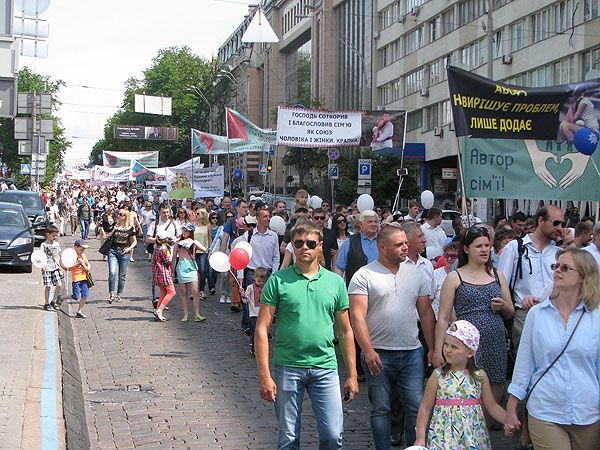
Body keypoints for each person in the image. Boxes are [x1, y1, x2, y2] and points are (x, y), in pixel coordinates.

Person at [255, 220, 359, 449]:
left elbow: (345, 330)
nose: (305, 247)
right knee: (289, 438)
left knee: (333, 435)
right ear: (292, 245)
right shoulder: (278, 281)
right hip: (288, 366)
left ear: (320, 246)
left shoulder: (335, 282)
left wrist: (352, 373)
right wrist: (265, 376)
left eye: (311, 243)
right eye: (299, 243)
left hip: (325, 367)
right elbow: (262, 329)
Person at [349, 223, 435, 447]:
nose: (405, 248)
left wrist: (433, 349)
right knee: (381, 409)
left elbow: (425, 313)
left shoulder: (415, 273)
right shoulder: (364, 275)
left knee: (416, 406)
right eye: (398, 245)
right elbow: (357, 317)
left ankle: (414, 446)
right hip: (378, 353)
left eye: (406, 243)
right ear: (382, 247)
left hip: (411, 352)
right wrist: (367, 351)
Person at [504, 248, 600, 449]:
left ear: (583, 276)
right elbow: (524, 364)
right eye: (555, 266)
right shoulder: (537, 314)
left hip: (588, 411)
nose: (558, 271)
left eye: (565, 268)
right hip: (545, 409)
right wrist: (512, 408)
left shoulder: (596, 317)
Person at [435, 226, 514, 409]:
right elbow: (444, 318)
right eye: (479, 246)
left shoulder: (497, 275)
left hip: (494, 341)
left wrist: (503, 306)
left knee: (494, 392)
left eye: (487, 245)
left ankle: (483, 433)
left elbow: (510, 312)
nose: (485, 250)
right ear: (467, 249)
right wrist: (438, 350)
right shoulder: (455, 277)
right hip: (465, 344)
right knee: (465, 392)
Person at [415, 320, 507, 449]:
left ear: (470, 352)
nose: (447, 350)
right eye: (445, 344)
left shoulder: (479, 376)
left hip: (473, 437)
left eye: (454, 347)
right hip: (443, 437)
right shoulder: (438, 376)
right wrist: (420, 438)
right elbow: (425, 407)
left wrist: (508, 420)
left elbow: (491, 406)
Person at [498, 205, 565, 351]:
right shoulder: (515, 247)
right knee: (525, 360)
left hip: (554, 314)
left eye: (563, 224)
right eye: (556, 223)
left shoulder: (559, 252)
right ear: (541, 221)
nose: (560, 228)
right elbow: (502, 283)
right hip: (525, 314)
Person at [146, 202, 181, 307]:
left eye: (167, 212)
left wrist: (173, 242)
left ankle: (163, 300)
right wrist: (159, 241)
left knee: (169, 276)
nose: (166, 214)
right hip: (158, 254)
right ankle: (157, 299)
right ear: (159, 213)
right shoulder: (155, 224)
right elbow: (148, 239)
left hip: (171, 254)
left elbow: (179, 236)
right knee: (158, 277)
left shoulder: (175, 224)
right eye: (163, 212)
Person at [173, 223, 207, 322]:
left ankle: (197, 314)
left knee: (195, 292)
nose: (184, 232)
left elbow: (204, 249)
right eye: (183, 230)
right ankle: (185, 314)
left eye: (187, 230)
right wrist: (171, 271)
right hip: (181, 267)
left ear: (191, 232)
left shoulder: (193, 242)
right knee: (184, 292)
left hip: (191, 267)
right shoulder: (178, 243)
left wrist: (194, 243)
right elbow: (174, 257)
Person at [105, 208, 137, 304]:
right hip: (113, 251)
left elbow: (135, 241)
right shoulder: (115, 226)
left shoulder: (130, 228)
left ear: (125, 217)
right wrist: (113, 230)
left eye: (120, 214)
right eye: (118, 214)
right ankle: (111, 294)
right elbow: (107, 236)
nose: (118, 216)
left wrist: (129, 248)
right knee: (112, 272)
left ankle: (119, 294)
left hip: (124, 252)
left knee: (122, 275)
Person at [241, 267, 268, 355]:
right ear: (254, 278)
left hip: (263, 313)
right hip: (253, 313)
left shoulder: (266, 287)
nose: (260, 283)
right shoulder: (250, 288)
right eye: (259, 281)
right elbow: (246, 300)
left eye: (262, 281)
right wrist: (243, 294)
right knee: (253, 331)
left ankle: (261, 346)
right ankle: (253, 346)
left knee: (262, 331)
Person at [151, 230, 175, 322]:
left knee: (163, 293)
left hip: (158, 273)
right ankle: (160, 310)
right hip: (163, 273)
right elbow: (168, 261)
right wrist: (172, 251)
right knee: (172, 292)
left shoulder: (157, 247)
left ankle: (158, 311)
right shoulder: (162, 249)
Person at [432, 242, 459, 319]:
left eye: (453, 256)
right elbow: (429, 300)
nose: (449, 259)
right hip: (437, 318)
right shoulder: (435, 274)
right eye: (447, 256)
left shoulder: (465, 274)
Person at [40, 225, 62, 311]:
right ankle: (46, 303)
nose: (55, 237)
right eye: (53, 235)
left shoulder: (57, 244)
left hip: (55, 267)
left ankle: (54, 300)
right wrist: (42, 266)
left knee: (59, 284)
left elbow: (59, 255)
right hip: (47, 268)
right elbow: (40, 256)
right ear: (47, 234)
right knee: (48, 286)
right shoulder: (44, 245)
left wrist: (61, 265)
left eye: (56, 235)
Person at [192, 208, 211, 299]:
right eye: (195, 213)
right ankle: (194, 291)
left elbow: (210, 238)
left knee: (203, 271)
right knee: (194, 272)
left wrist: (209, 250)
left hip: (203, 251)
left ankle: (201, 290)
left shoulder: (207, 225)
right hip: (194, 251)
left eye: (198, 213)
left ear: (203, 215)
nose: (196, 215)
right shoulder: (192, 225)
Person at [71, 239, 91, 319]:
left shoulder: (83, 256)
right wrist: (77, 263)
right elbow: (69, 268)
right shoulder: (72, 256)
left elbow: (88, 265)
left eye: (84, 249)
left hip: (84, 278)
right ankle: (62, 297)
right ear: (75, 247)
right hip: (76, 278)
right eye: (81, 249)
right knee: (76, 296)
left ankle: (79, 311)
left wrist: (87, 267)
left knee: (85, 295)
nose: (83, 251)